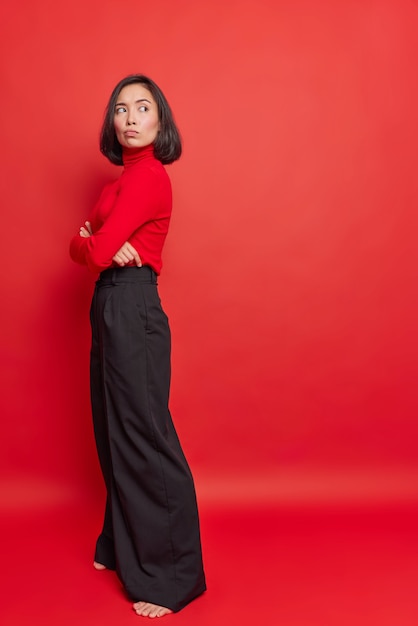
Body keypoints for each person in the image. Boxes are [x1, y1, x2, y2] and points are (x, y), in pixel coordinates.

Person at [69, 74, 206, 619]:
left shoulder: (149, 178)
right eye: (121, 108)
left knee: (143, 435)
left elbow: (94, 248)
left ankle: (175, 576)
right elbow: (87, 249)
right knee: (109, 427)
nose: (130, 117)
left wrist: (91, 243)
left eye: (142, 107)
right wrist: (90, 245)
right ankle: (121, 546)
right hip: (108, 304)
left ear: (159, 122)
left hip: (135, 306)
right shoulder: (113, 187)